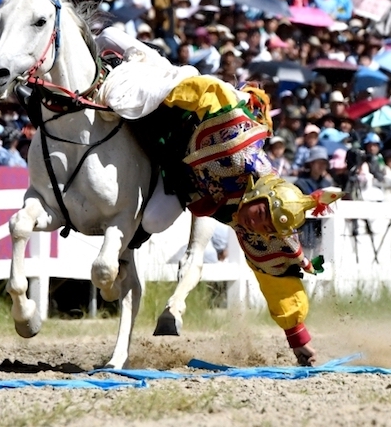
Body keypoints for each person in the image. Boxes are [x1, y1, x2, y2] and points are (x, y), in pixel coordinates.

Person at [98, 49, 344, 366]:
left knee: (154, 220)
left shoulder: (265, 228)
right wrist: (158, 92)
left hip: (178, 178)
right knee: (139, 72)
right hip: (178, 115)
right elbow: (211, 93)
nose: (258, 226)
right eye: (260, 217)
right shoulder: (237, 145)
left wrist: (297, 339)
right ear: (260, 196)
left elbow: (278, 277)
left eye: (266, 228)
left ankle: (122, 259)